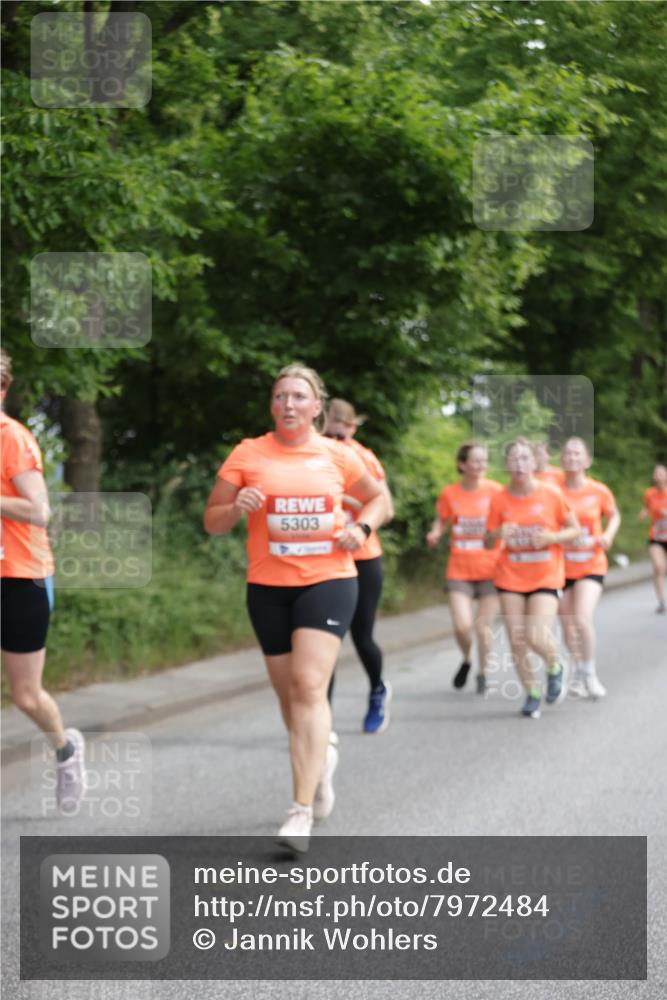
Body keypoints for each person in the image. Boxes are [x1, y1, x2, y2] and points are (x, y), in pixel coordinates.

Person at [204, 364, 386, 852]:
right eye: (280, 396)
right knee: (291, 701)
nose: (288, 404)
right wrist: (236, 506)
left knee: (309, 686)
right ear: (272, 405)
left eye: (298, 397)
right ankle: (321, 760)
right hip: (267, 587)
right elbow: (213, 521)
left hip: (329, 581)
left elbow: (379, 500)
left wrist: (361, 529)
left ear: (316, 406)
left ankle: (299, 810)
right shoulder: (248, 453)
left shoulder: (336, 454)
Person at [0, 349, 85, 810]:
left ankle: (65, 751)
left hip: (20, 576)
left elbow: (39, 511)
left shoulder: (12, 438)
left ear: (3, 388)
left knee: (27, 695)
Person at [485, 437, 580, 719]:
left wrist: (552, 537)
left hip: (545, 575)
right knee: (517, 639)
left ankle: (554, 664)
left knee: (535, 634)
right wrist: (498, 533)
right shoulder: (499, 499)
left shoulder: (551, 494)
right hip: (510, 576)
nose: (519, 464)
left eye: (524, 458)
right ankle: (532, 693)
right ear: (506, 464)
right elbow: (488, 542)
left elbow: (574, 531)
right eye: (514, 459)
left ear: (533, 462)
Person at [324, 398, 394, 733]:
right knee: (325, 640)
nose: (336, 442)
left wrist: (345, 499)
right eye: (330, 434)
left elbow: (387, 510)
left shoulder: (363, 457)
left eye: (342, 434)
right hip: (323, 560)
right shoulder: (314, 455)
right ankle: (321, 722)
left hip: (363, 557)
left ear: (353, 428)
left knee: (361, 636)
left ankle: (378, 690)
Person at [426, 443, 501, 694]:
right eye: (476, 461)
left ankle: (484, 672)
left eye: (484, 461)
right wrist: (435, 532)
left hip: (492, 569)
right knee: (461, 625)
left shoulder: (496, 492)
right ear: (462, 464)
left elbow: (510, 519)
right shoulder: (450, 493)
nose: (481, 466)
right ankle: (467, 659)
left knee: (483, 627)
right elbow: (442, 519)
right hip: (459, 569)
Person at [558, 437, 621, 699]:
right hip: (560, 567)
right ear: (562, 459)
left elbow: (615, 515)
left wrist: (608, 535)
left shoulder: (598, 490)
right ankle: (574, 672)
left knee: (582, 619)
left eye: (577, 453)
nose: (572, 457)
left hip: (591, 563)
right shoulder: (553, 490)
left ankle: (589, 673)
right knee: (567, 625)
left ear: (587, 460)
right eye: (568, 453)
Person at [640, 463, 667, 613]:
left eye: (661, 473)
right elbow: (648, 506)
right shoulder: (649, 493)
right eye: (656, 473)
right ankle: (661, 601)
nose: (658, 476)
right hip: (656, 536)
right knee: (658, 567)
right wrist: (644, 512)